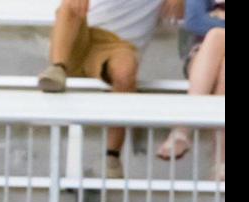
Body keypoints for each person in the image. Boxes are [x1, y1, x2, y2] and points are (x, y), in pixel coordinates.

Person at [36, 0, 184, 178]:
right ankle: (57, 68)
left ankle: (112, 156)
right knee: (69, 4)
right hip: (81, 35)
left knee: (126, 69)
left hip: (117, 47)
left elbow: (182, 16)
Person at [157, 0, 224, 181]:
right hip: (203, 54)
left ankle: (183, 129)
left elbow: (203, 22)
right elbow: (194, 21)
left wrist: (216, 19)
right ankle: (221, 160)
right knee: (218, 36)